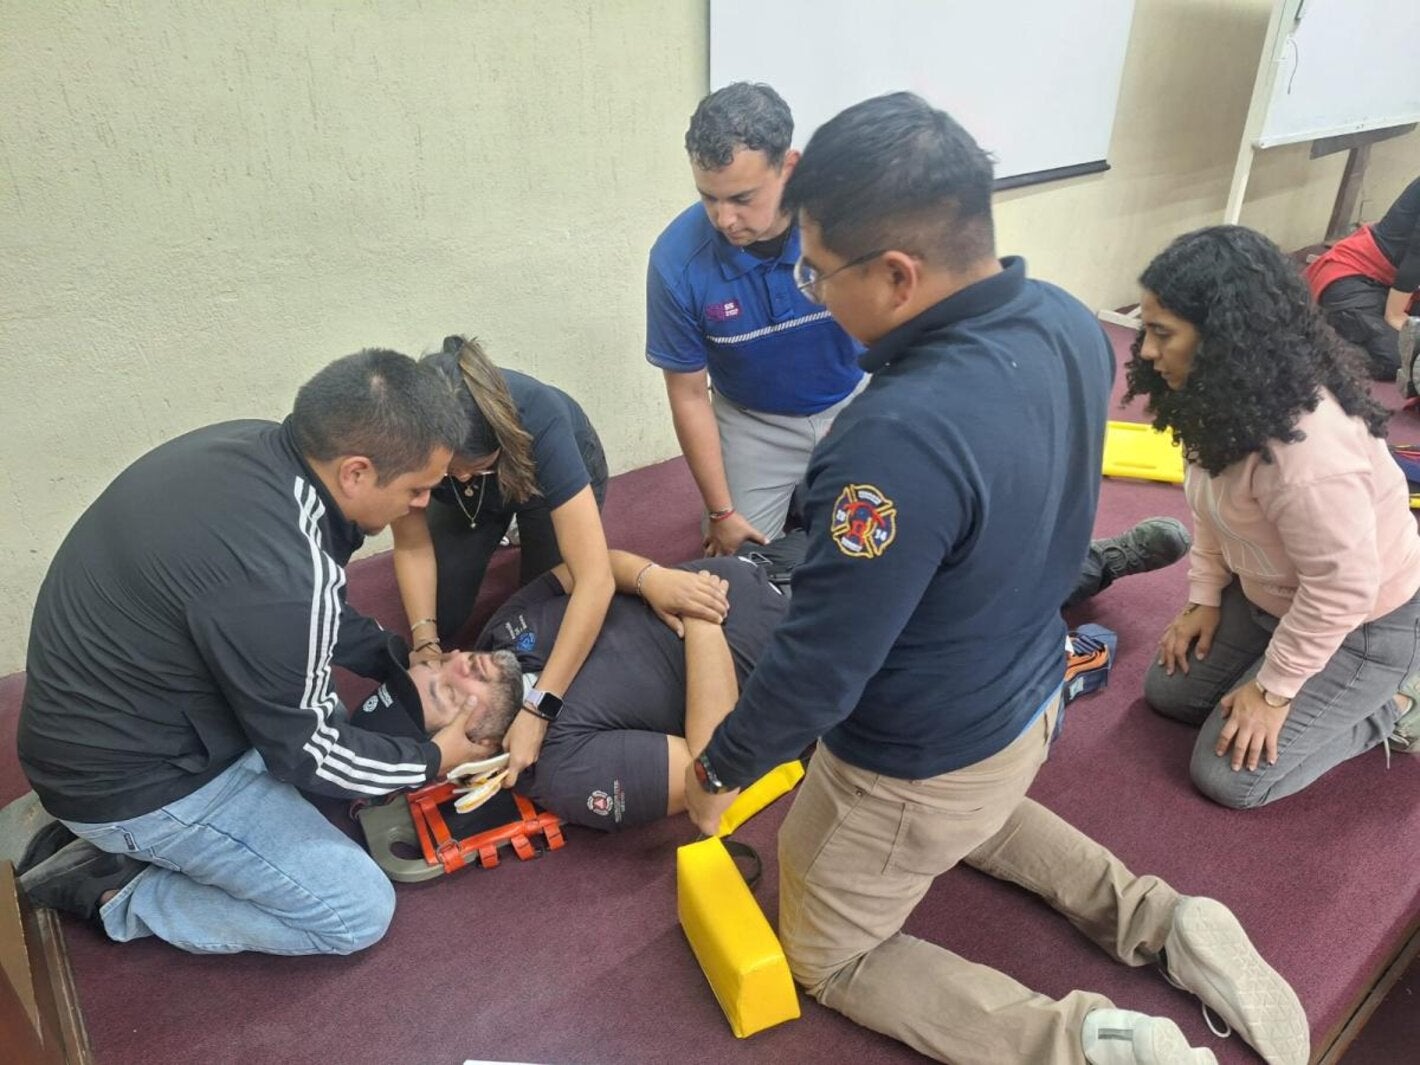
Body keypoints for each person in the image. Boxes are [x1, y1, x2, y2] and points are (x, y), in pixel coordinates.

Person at [681, 94, 1308, 1065]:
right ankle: (1167, 921)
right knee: (978, 813)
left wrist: (721, 768)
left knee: (824, 950)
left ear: (897, 274)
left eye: (817, 269)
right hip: (1028, 700)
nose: (810, 290)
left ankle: (1085, 1046)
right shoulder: (1067, 321)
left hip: (918, 756)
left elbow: (821, 666)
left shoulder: (885, 444)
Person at [15, 350, 495, 955]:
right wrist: (431, 758)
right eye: (418, 488)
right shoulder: (284, 574)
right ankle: (119, 893)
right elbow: (305, 755)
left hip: (94, 723)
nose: (423, 503)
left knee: (332, 728)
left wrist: (395, 658)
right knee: (356, 911)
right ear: (356, 472)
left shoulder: (248, 447)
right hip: (130, 786)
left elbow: (301, 613)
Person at [650, 85, 1191, 585]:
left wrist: (892, 431)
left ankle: (1093, 563)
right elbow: (689, 394)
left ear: (789, 168)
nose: (724, 219)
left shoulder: (847, 231)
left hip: (856, 399)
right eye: (708, 198)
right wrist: (722, 512)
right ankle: (806, 518)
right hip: (754, 421)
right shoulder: (678, 261)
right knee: (735, 581)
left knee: (931, 549)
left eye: (742, 198)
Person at [1133, 225, 1420, 808]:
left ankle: (1393, 703)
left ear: (1223, 339)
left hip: (1367, 623)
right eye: (1145, 329)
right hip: (1277, 597)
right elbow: (1210, 507)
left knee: (1231, 778)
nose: (1143, 351)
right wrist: (1204, 598)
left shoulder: (1310, 455)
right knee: (1171, 692)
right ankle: (1299, 669)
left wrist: (1275, 689)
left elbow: (1344, 588)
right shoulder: (1218, 398)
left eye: (1162, 333)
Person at [392, 335, 614, 789]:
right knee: (444, 613)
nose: (465, 476)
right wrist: (426, 638)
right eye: (452, 471)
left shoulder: (541, 417)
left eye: (475, 467)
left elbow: (596, 579)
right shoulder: (406, 433)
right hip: (469, 495)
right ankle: (489, 522)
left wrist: (539, 707)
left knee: (539, 614)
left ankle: (520, 523)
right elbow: (411, 545)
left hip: (543, 477)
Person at [1305, 175, 1420, 382]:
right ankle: (1308, 341)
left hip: (1398, 287)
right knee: (1398, 357)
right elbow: (1416, 255)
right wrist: (1394, 315)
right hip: (1354, 277)